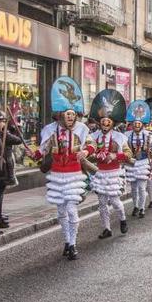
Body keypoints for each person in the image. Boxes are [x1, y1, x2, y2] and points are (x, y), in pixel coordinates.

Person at [35, 77, 95, 261]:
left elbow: (92, 145)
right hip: (56, 175)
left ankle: (73, 244)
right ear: (60, 115)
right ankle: (67, 241)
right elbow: (42, 150)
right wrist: (34, 154)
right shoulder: (50, 130)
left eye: (73, 114)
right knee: (61, 211)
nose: (70, 117)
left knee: (71, 209)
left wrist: (85, 151)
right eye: (67, 114)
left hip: (74, 175)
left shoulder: (82, 129)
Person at [88, 89, 132, 239]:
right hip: (100, 173)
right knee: (101, 203)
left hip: (113, 173)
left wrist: (115, 155)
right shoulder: (93, 137)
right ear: (100, 123)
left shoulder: (120, 137)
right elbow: (88, 151)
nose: (105, 124)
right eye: (103, 121)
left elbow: (128, 155)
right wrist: (93, 154)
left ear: (112, 123)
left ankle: (123, 219)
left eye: (108, 122)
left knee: (115, 201)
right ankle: (106, 228)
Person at [125, 101, 152, 219]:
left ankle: (142, 208)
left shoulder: (148, 135)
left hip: (143, 163)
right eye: (135, 123)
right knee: (134, 188)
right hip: (131, 163)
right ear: (132, 124)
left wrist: (149, 147)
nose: (136, 125)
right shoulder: (126, 135)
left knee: (141, 187)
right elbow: (124, 147)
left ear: (142, 124)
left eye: (138, 124)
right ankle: (135, 206)